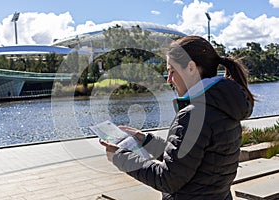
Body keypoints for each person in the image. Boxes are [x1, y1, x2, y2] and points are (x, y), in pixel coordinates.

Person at [100, 35, 254, 200]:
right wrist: (145, 140)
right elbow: (189, 161)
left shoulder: (194, 114)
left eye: (172, 71)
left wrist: (120, 157)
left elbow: (167, 180)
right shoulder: (224, 105)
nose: (169, 80)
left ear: (191, 68)